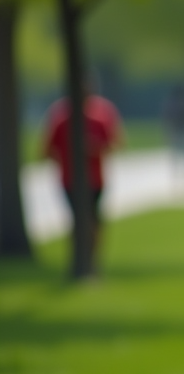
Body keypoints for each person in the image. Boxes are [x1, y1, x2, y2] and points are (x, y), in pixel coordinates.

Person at [43, 88, 123, 265]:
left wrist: (95, 147)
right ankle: (80, 258)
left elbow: (116, 143)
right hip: (69, 179)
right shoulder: (61, 116)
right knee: (78, 221)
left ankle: (92, 259)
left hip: (94, 179)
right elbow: (47, 150)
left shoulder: (101, 114)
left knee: (93, 221)